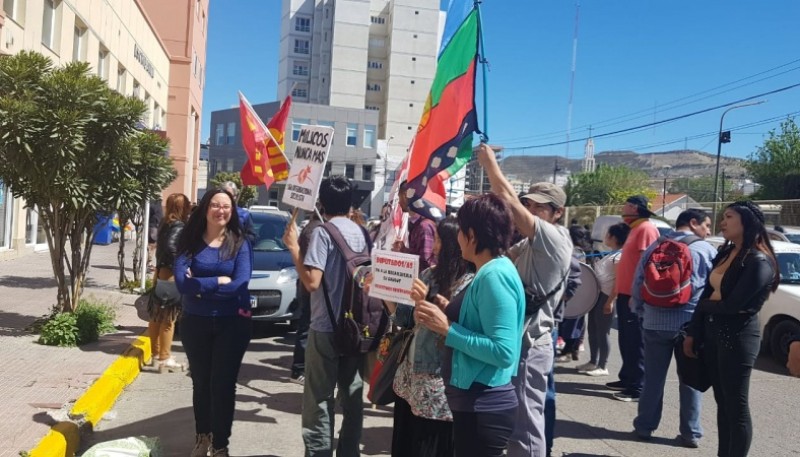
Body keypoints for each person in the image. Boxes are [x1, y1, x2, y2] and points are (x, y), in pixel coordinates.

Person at [476, 144, 573, 457]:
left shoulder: (554, 238)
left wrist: (490, 165)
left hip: (530, 344)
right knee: (516, 421)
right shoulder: (530, 244)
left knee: (526, 426)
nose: (531, 210)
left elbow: (508, 200)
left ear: (557, 213)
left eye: (540, 207)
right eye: (528, 203)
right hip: (518, 342)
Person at [414, 194, 525, 457]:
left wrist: (448, 329)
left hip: (483, 406)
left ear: (472, 234)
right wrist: (444, 309)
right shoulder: (489, 270)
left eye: (460, 231)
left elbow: (503, 351)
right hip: (475, 404)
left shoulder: (494, 275)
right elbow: (480, 321)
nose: (457, 238)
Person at [683, 201, 779, 457]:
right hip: (713, 336)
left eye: (728, 217)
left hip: (738, 341)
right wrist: (694, 331)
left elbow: (735, 304)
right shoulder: (726, 253)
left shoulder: (759, 260)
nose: (721, 222)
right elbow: (712, 296)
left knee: (736, 408)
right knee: (722, 406)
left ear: (747, 222)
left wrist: (707, 305)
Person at [282, 175, 369, 457]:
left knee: (319, 398)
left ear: (321, 202)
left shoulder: (323, 232)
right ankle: (348, 451)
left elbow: (312, 282)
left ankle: (319, 452)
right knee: (353, 396)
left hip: (325, 326)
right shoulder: (362, 233)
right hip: (356, 328)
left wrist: (295, 249)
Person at [384, 216, 475, 457]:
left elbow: (457, 332)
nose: (433, 246)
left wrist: (425, 303)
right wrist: (384, 291)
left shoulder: (471, 284)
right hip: (410, 382)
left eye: (437, 240)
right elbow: (404, 320)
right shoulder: (428, 275)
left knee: (431, 447)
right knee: (406, 446)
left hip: (438, 389)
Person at [174, 189, 253, 457]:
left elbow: (241, 283)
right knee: (201, 382)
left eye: (226, 207)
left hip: (232, 324)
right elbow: (182, 283)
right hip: (195, 322)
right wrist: (219, 281)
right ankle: (203, 436)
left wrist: (201, 286)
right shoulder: (189, 241)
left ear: (232, 211)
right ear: (206, 208)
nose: (221, 211)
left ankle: (221, 444)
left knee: (223, 384)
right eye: (216, 205)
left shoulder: (240, 243)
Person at [631, 209, 716, 447]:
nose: (708, 231)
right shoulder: (705, 250)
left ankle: (644, 427)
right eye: (706, 225)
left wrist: (641, 312)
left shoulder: (655, 246)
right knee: (690, 381)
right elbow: (711, 290)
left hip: (653, 323)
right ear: (693, 223)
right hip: (689, 327)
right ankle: (691, 433)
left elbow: (639, 283)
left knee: (653, 379)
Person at [607, 195, 660, 402]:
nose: (622, 208)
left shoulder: (646, 229)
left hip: (633, 296)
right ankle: (627, 377)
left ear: (636, 209)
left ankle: (637, 386)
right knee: (626, 339)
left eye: (626, 205)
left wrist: (638, 295)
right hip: (625, 294)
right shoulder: (635, 229)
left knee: (635, 341)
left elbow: (647, 264)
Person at [577, 222, 630, 377]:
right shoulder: (611, 254)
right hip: (597, 295)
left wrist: (610, 301)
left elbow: (618, 282)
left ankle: (602, 365)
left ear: (615, 238)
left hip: (606, 297)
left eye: (608, 234)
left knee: (602, 332)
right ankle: (593, 361)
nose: (605, 237)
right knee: (592, 330)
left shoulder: (619, 256)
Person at [148, 192, 191, 372]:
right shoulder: (179, 226)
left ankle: (156, 355)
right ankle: (164, 357)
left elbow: (163, 247)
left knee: (157, 316)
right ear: (183, 208)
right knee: (168, 318)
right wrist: (181, 268)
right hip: (170, 275)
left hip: (160, 272)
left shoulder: (165, 224)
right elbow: (172, 248)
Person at [290, 208, 324, 385]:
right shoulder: (316, 230)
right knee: (306, 327)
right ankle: (299, 369)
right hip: (310, 286)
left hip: (308, 285)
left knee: (306, 326)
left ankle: (302, 367)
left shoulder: (314, 227)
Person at [394, 180, 437, 271]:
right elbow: (419, 257)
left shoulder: (424, 226)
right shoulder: (417, 225)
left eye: (399, 197)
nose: (398, 203)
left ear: (405, 196)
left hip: (422, 283)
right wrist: (404, 250)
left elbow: (426, 262)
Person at [148, 198, 163, 270]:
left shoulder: (157, 203)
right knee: (151, 245)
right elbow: (153, 210)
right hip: (153, 226)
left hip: (155, 226)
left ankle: (149, 263)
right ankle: (147, 264)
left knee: (153, 246)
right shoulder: (154, 203)